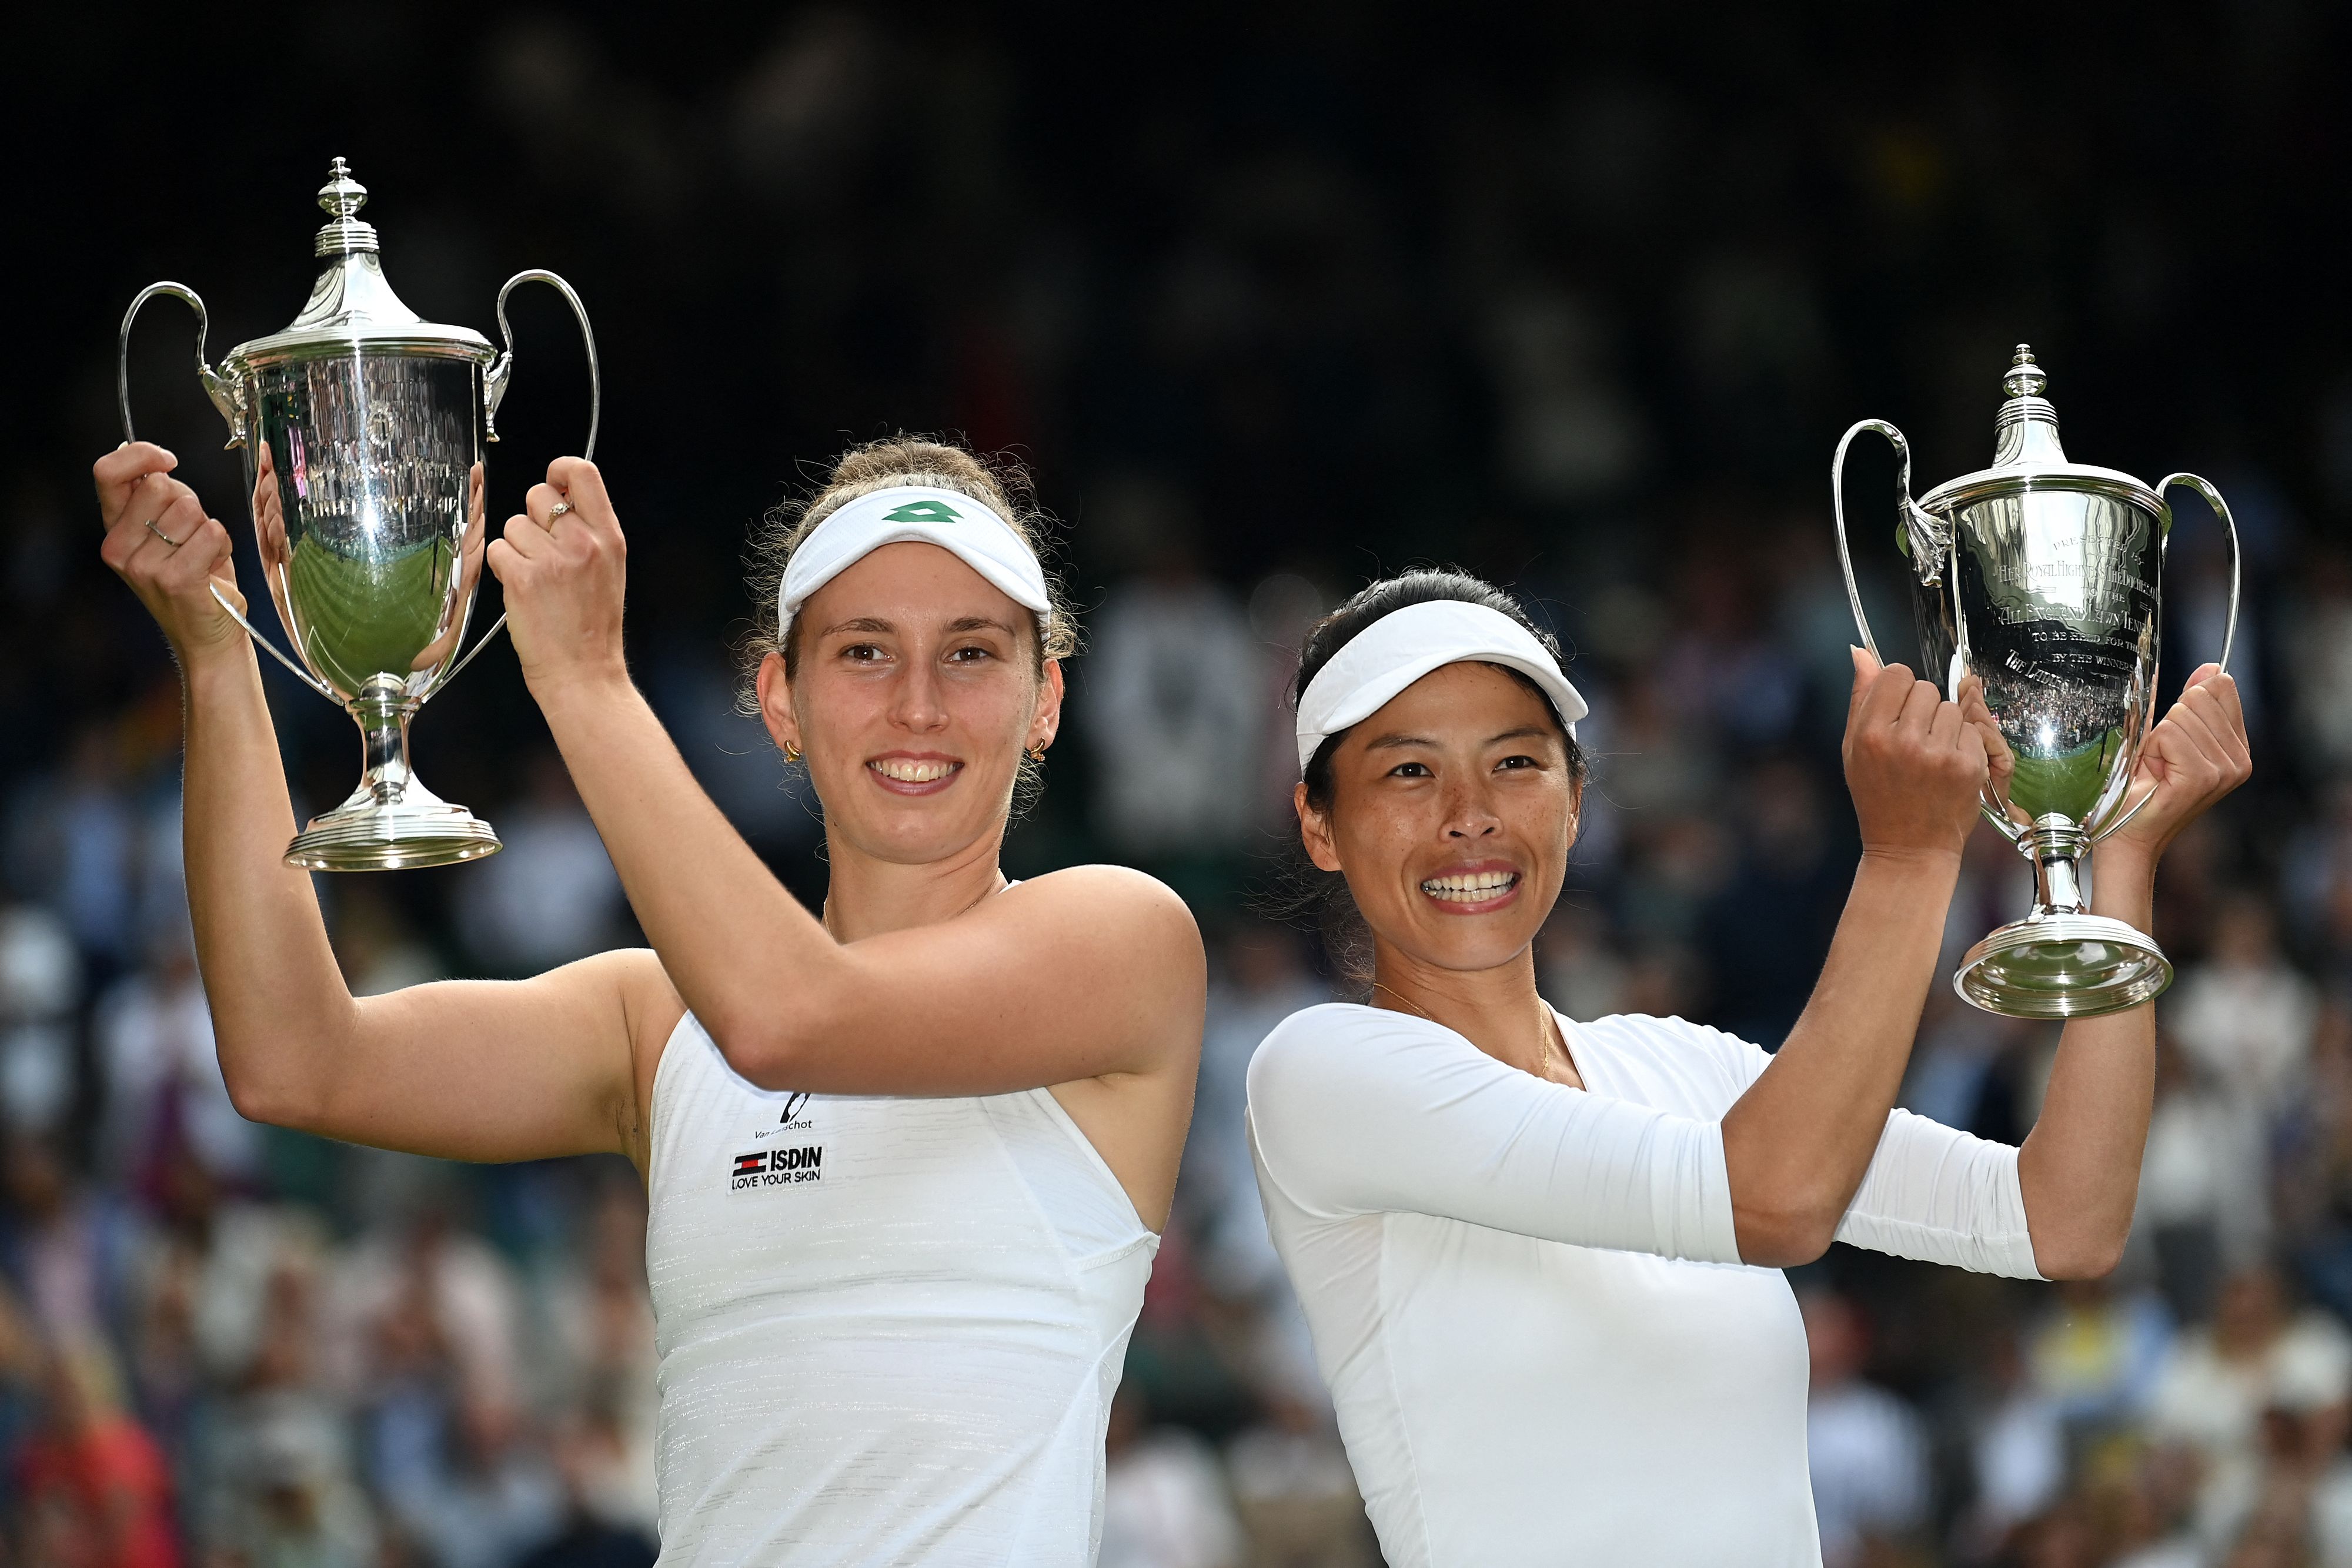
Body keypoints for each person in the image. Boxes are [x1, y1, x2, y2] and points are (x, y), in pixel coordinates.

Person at [90, 434, 1206, 1565]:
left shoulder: (1124, 938)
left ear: (1047, 698)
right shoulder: (655, 1024)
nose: (918, 705)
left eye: (969, 653)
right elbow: (293, 1058)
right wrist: (216, 650)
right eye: (865, 651)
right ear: (779, 698)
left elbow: (789, 1020)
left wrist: (584, 679)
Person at [1243, 569, 2251, 1566]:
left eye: (1515, 763)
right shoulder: (1322, 1073)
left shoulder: (1678, 1065)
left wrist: (2118, 861)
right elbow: (1776, 1201)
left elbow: (2063, 1218)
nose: (1471, 813)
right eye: (1409, 772)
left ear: (1578, 801)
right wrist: (1907, 859)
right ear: (1318, 824)